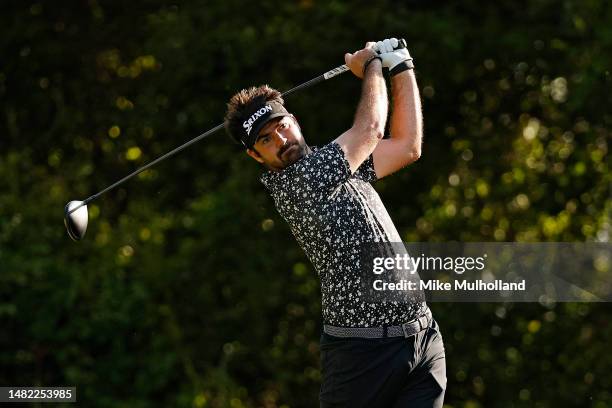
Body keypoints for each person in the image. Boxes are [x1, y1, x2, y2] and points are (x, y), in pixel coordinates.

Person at [224, 38, 446, 407]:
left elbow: (408, 146)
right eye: (265, 139)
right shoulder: (297, 183)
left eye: (280, 126)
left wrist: (401, 65)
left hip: (422, 339)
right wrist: (372, 66)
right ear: (255, 155)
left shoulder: (345, 166)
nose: (279, 139)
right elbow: (372, 128)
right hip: (362, 353)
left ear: (293, 121)